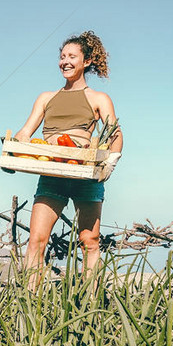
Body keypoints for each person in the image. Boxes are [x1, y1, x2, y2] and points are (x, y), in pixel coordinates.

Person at [14, 31, 123, 283]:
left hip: (85, 174)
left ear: (86, 61)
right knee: (36, 241)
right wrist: (14, 148)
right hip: (51, 174)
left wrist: (110, 163)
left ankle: (91, 302)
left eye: (72, 56)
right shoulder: (46, 98)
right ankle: (31, 306)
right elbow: (25, 132)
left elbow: (114, 134)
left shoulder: (98, 98)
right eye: (62, 57)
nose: (65, 61)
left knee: (90, 241)